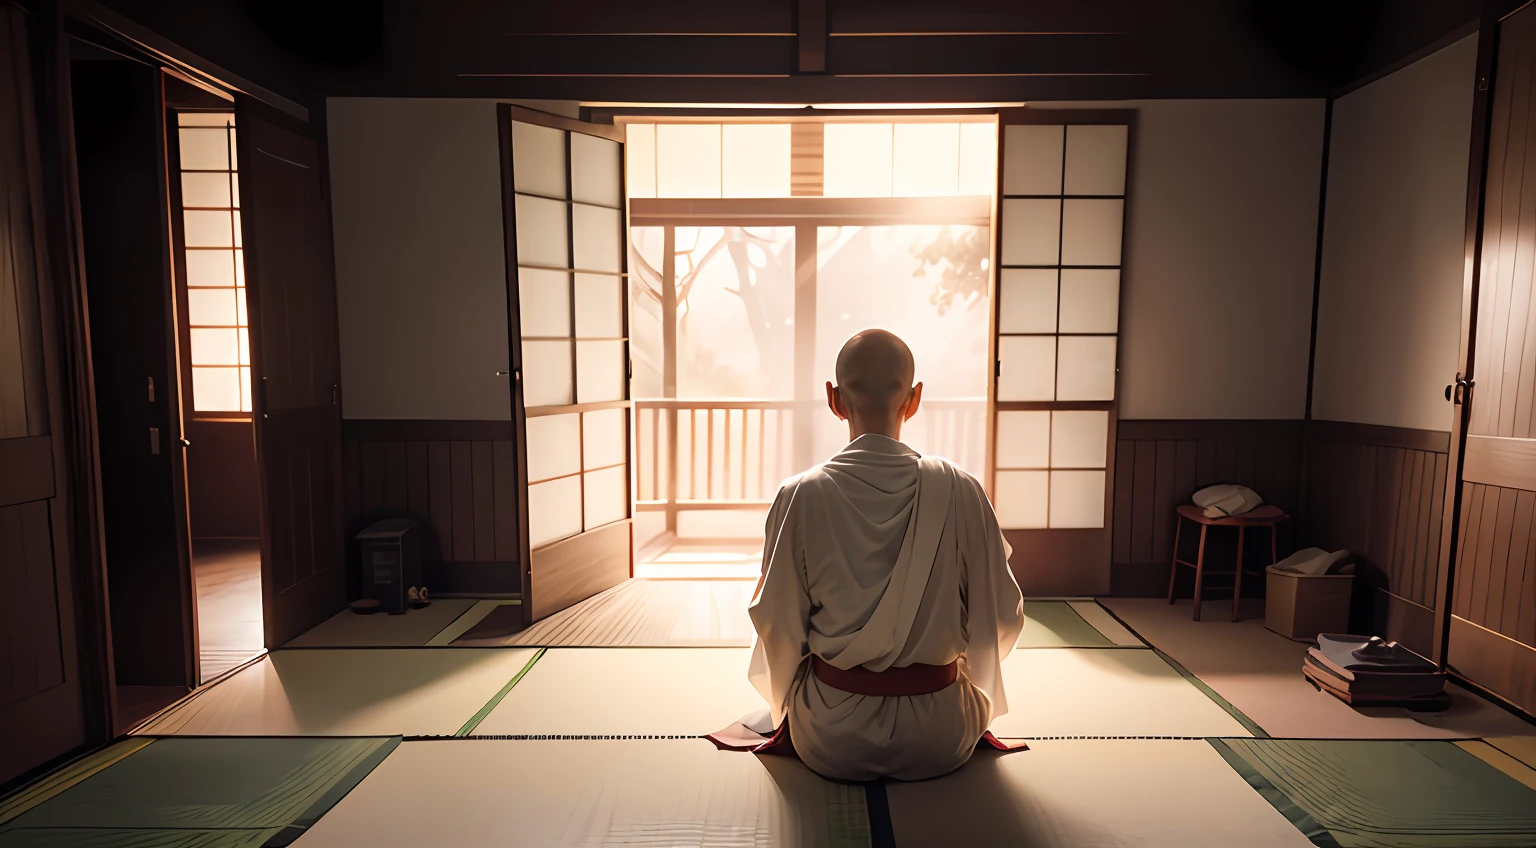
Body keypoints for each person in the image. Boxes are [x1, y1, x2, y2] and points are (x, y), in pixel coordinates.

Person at [743, 329, 1025, 782]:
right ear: (913, 400)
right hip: (942, 733)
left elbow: (776, 622)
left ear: (834, 400)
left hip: (831, 736)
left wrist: (788, 698)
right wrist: (956, 663)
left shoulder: (800, 495)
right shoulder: (962, 490)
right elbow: (1004, 616)